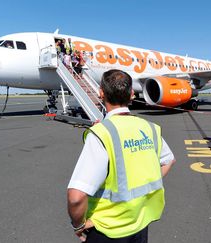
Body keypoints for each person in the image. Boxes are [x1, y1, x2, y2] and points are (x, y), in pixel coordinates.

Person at [67, 69, 176, 242]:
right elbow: (168, 161)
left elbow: (76, 197)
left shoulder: (101, 134)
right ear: (132, 94)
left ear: (101, 92)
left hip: (107, 230)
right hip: (140, 223)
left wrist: (78, 225)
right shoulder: (150, 128)